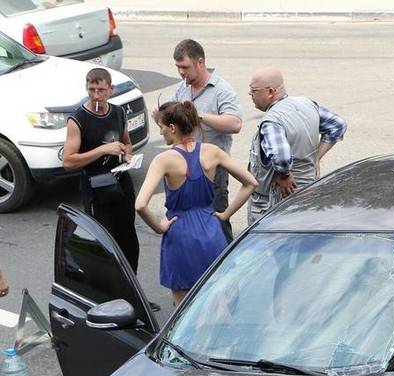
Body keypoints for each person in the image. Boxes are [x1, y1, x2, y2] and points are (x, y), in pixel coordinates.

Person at [135, 101, 256, 306]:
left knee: (183, 309)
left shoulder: (164, 160)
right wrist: (225, 215)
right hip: (211, 231)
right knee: (217, 303)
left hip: (180, 234)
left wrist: (159, 227)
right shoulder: (212, 152)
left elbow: (140, 205)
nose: (161, 133)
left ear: (173, 128)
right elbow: (251, 182)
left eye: (161, 128)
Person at [159, 39, 243, 242]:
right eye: (178, 67)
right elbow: (172, 125)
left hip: (211, 170)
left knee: (216, 225)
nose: (181, 72)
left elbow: (235, 124)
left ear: (200, 62)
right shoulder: (182, 88)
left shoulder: (222, 90)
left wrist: (199, 116)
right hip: (183, 169)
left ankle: (224, 268)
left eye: (185, 67)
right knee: (190, 225)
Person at [247, 66, 347, 225]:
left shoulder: (272, 121)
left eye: (254, 90)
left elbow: (281, 157)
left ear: (271, 92)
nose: (250, 95)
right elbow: (338, 125)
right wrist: (315, 158)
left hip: (273, 204)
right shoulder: (306, 104)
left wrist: (284, 174)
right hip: (307, 194)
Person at [63, 67, 139, 272]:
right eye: (92, 89)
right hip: (95, 187)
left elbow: (127, 143)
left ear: (111, 90)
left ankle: (132, 292)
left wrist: (127, 154)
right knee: (105, 241)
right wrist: (102, 150)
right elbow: (68, 161)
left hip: (120, 181)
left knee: (128, 238)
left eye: (101, 90)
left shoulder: (118, 112)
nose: (96, 95)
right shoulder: (78, 119)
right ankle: (108, 293)